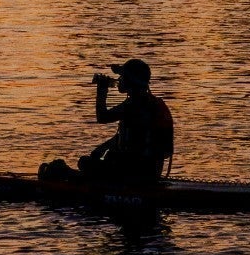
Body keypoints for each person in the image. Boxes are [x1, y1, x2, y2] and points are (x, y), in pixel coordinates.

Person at [41, 58, 175, 185]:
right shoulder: (148, 102)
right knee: (90, 162)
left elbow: (102, 117)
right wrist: (103, 148)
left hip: (136, 174)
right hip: (150, 172)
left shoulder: (135, 104)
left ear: (130, 82)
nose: (119, 80)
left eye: (122, 77)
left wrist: (102, 90)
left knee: (84, 163)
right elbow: (130, 137)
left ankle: (63, 173)